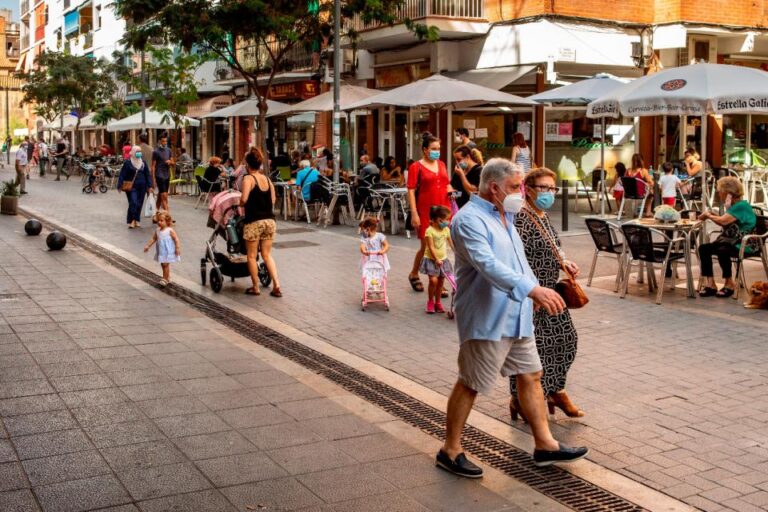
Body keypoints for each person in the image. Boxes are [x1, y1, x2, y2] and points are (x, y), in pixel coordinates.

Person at [437, 158, 588, 478]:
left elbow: (519, 262)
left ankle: (545, 444)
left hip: (517, 315)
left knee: (531, 376)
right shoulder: (468, 220)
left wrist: (534, 291)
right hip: (488, 317)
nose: (522, 193)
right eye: (516, 187)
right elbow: (488, 264)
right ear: (494, 188)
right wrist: (533, 290)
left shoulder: (507, 215)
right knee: (471, 383)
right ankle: (450, 450)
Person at [509, 167, 584, 421]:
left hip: (550, 292)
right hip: (532, 294)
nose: (549, 193)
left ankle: (554, 390)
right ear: (528, 189)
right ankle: (521, 399)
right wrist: (530, 292)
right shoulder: (521, 218)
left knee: (566, 341)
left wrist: (566, 262)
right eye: (543, 188)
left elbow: (553, 248)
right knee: (530, 350)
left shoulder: (541, 216)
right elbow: (517, 260)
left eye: (552, 188)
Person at [407, 132, 452, 293]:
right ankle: (428, 278)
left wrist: (451, 190)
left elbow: (446, 184)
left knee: (440, 245)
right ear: (425, 150)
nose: (437, 151)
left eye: (438, 148)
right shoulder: (416, 167)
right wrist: (414, 213)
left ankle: (422, 276)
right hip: (425, 210)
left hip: (443, 209)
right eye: (434, 148)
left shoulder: (441, 164)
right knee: (426, 245)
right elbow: (411, 190)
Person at [698, 177, 756, 298]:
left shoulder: (741, 206)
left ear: (728, 192)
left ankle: (729, 284)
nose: (719, 194)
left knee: (722, 250)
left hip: (744, 243)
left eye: (720, 191)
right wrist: (714, 215)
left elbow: (724, 222)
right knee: (704, 248)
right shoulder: (734, 206)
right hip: (731, 240)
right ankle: (711, 284)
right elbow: (726, 222)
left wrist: (709, 215)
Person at [239, 149, 282, 298]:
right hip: (270, 221)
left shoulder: (248, 179)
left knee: (251, 256)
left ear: (247, 164)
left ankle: (255, 286)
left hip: (254, 222)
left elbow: (244, 199)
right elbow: (273, 200)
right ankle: (276, 284)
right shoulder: (268, 180)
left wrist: (240, 203)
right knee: (267, 255)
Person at [420, 205, 454, 314]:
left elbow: (451, 243)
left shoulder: (446, 230)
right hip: (431, 259)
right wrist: (436, 259)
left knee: (441, 282)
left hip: (443, 259)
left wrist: (458, 252)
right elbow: (431, 247)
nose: (447, 222)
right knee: (433, 280)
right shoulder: (429, 231)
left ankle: (438, 302)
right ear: (438, 219)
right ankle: (430, 301)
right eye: (446, 219)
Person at [117, 146, 152, 229]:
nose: (139, 153)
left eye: (140, 151)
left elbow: (147, 174)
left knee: (139, 203)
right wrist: (119, 185)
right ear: (133, 152)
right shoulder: (128, 163)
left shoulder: (143, 162)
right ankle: (131, 220)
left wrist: (149, 186)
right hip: (131, 187)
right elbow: (122, 174)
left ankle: (137, 219)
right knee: (133, 202)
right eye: (137, 151)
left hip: (142, 186)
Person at [143, 211, 180, 287]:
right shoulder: (158, 230)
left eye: (161, 221)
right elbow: (153, 239)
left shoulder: (170, 230)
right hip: (161, 251)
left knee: (165, 264)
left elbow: (176, 239)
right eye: (158, 220)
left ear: (167, 221)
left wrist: (177, 248)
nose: (159, 222)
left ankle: (165, 279)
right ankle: (167, 277)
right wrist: (148, 246)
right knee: (163, 264)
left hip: (168, 251)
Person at [151, 134, 174, 213]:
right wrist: (153, 179)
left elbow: (173, 163)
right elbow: (153, 166)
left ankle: (155, 213)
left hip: (167, 175)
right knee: (164, 196)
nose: (165, 143)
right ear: (160, 141)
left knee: (161, 196)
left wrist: (170, 162)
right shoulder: (156, 152)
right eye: (163, 141)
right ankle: (168, 215)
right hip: (159, 175)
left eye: (166, 141)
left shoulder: (169, 150)